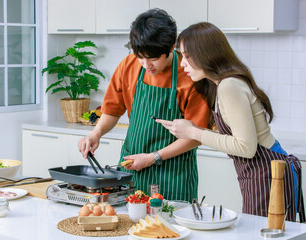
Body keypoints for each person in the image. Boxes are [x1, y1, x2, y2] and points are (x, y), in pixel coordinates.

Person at [156, 22, 305, 222]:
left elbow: (245, 147)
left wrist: (194, 133)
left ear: (205, 53)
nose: (182, 64)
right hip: (261, 172)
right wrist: (192, 129)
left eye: (187, 56)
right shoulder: (223, 84)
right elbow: (237, 139)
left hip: (269, 174)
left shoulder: (229, 86)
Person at [78, 9, 210, 202]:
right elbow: (113, 109)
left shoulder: (190, 73)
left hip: (174, 174)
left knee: (171, 228)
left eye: (154, 58)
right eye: (140, 56)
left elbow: (196, 136)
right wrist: (95, 134)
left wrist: (152, 157)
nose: (146, 64)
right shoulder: (128, 65)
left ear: (172, 47)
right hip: (132, 168)